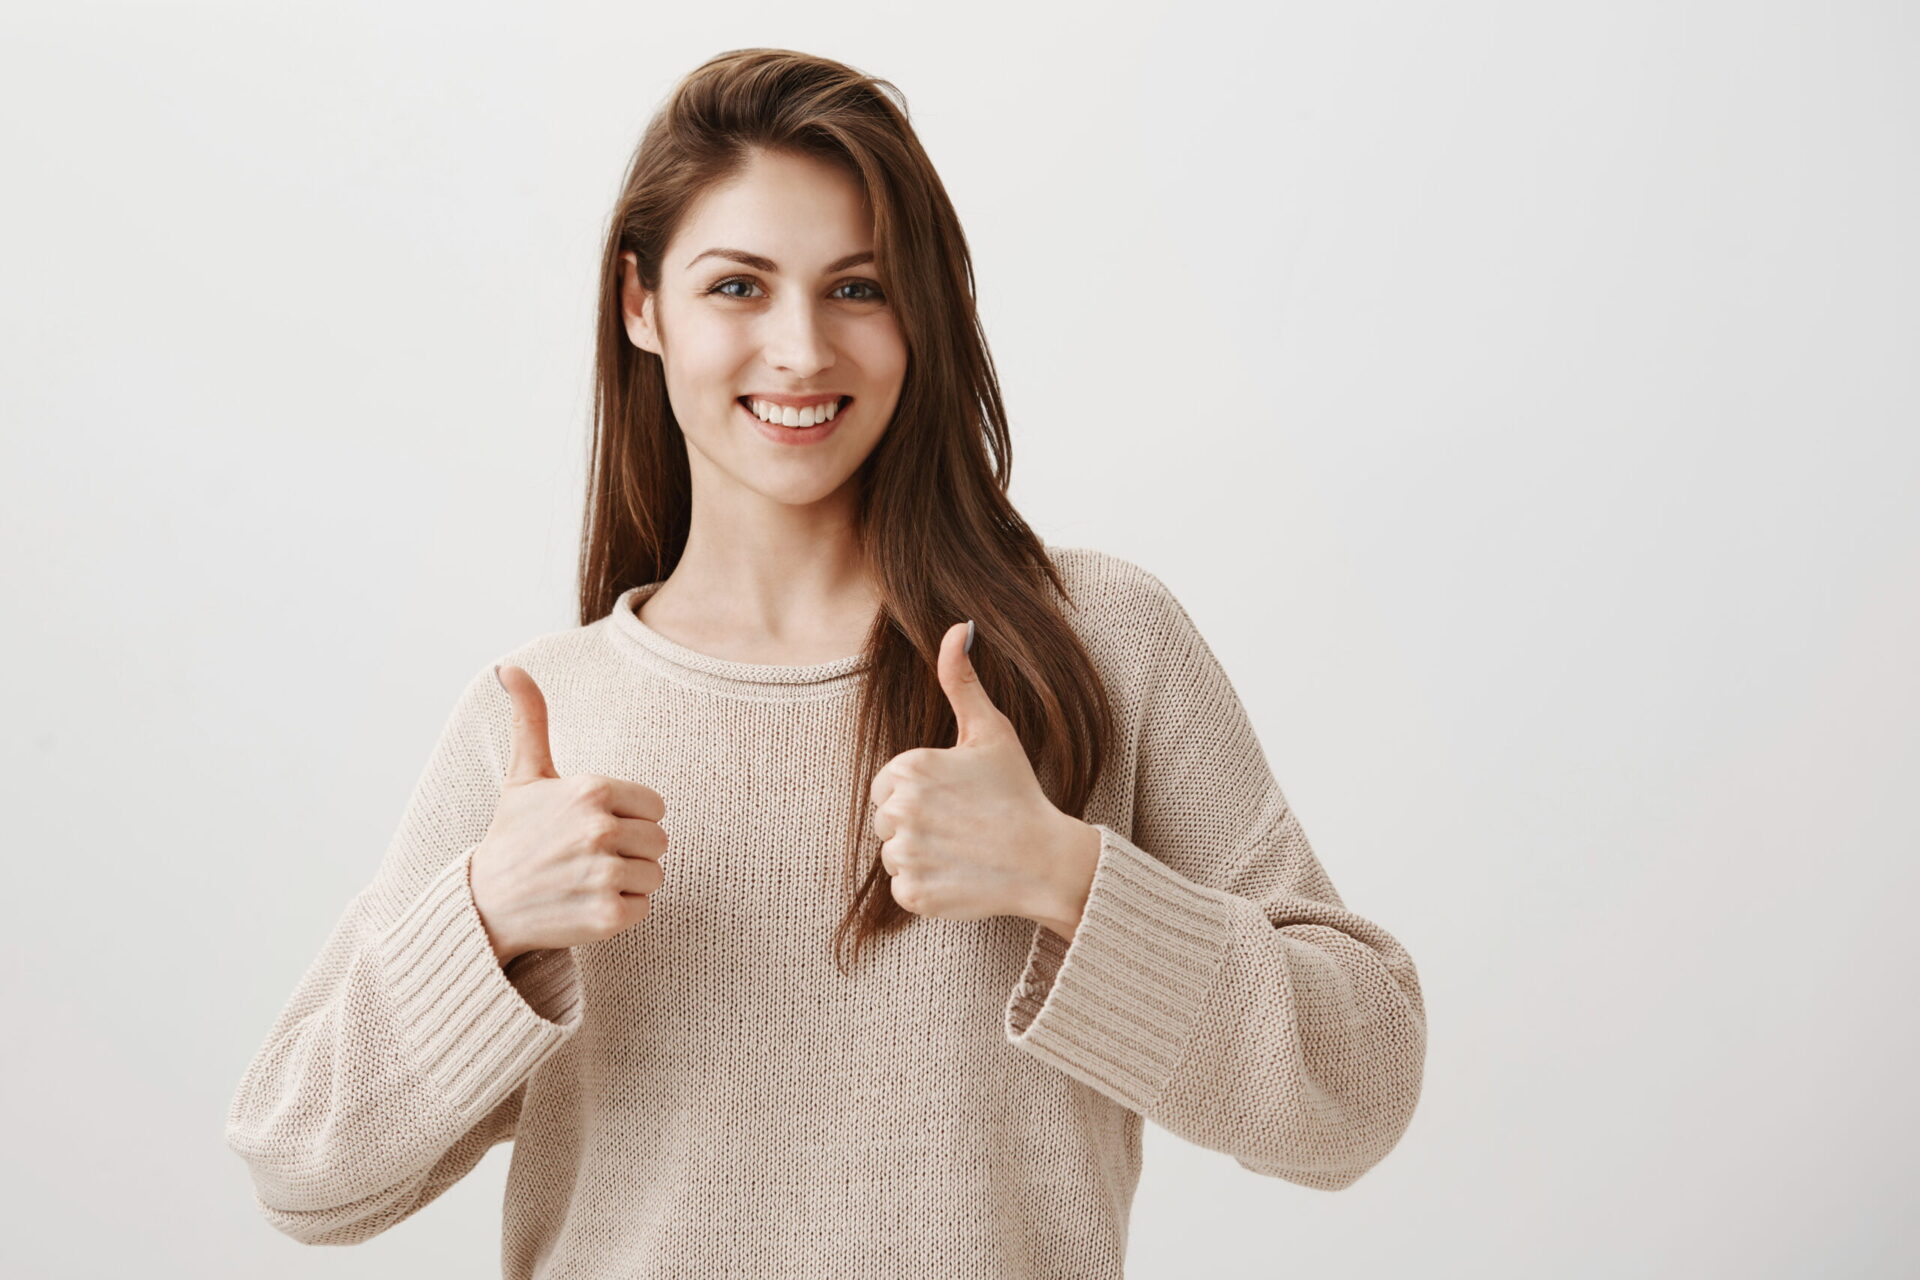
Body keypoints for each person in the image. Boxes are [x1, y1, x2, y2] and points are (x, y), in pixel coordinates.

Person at [222, 47, 1427, 1278]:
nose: (800, 350)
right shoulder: (543, 715)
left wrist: (1069, 876)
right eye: (738, 286)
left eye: (857, 288)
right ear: (641, 302)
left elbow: (1362, 1088)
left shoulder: (1094, 641)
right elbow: (302, 1174)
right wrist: (484, 918)